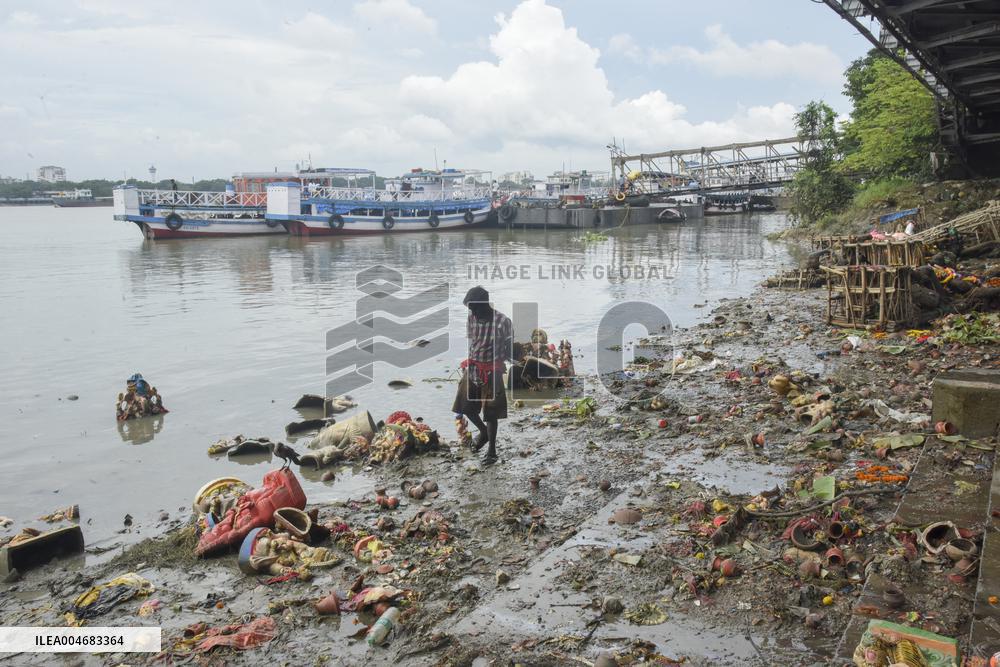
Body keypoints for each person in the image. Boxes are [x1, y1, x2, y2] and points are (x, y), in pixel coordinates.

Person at [452, 286, 511, 464]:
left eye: (475, 308)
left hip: (493, 371)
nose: (473, 312)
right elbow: (473, 343)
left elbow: (509, 349)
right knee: (464, 406)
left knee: (491, 412)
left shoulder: (502, 322)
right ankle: (483, 432)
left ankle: (492, 452)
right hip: (473, 367)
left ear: (484, 304)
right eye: (470, 309)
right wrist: (468, 365)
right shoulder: (471, 318)